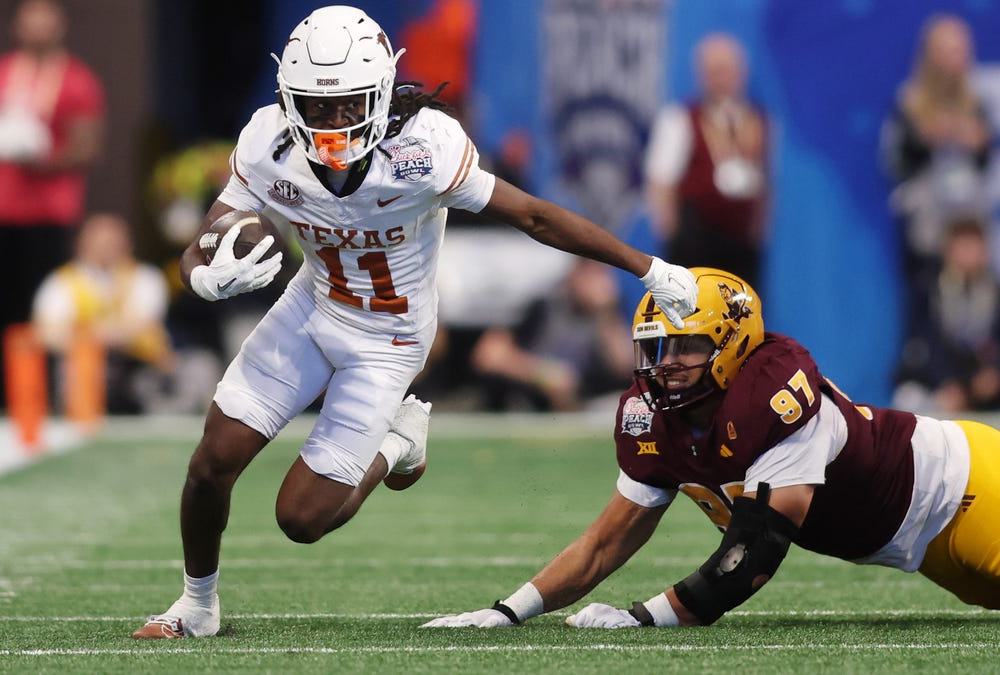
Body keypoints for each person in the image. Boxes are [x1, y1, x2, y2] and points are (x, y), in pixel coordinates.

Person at [132, 5, 699, 639]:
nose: (332, 122)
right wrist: (197, 270)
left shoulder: (423, 147)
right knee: (212, 461)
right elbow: (210, 232)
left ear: (379, 94)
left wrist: (648, 267)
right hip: (312, 306)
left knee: (302, 518)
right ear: (289, 100)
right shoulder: (268, 142)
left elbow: (534, 216)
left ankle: (397, 442)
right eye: (318, 107)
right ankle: (196, 605)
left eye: (349, 104)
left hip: (389, 340)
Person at [423, 267, 999, 632]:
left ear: (731, 342)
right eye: (657, 348)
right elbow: (603, 544)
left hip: (966, 487)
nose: (667, 363)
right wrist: (508, 612)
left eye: (686, 346)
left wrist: (642, 616)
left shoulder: (772, 395)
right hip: (918, 546)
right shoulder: (657, 416)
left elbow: (749, 559)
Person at [0, 0, 105, 408]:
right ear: (17, 27)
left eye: (43, 23)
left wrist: (42, 158)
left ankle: (40, 398)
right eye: (29, 23)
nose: (36, 30)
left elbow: (87, 147)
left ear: (59, 27)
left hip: (48, 212)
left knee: (43, 308)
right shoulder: (0, 73)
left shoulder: (76, 80)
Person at [644, 33, 769, 290]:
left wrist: (757, 233)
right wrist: (672, 238)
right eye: (713, 71)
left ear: (741, 72)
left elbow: (766, 183)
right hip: (695, 243)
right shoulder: (680, 119)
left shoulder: (758, 120)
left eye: (726, 70)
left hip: (742, 246)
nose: (721, 79)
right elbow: (660, 182)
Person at [881, 14, 992, 296]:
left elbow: (987, 165)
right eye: (949, 52)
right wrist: (927, 140)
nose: (956, 61)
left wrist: (977, 142)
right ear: (931, 55)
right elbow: (894, 164)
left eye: (961, 51)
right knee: (927, 306)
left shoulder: (978, 99)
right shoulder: (910, 101)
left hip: (970, 229)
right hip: (927, 231)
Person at [30, 212, 173, 413]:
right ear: (82, 244)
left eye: (114, 241)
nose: (107, 247)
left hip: (140, 365)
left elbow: (144, 326)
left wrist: (84, 333)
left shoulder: (146, 277)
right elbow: (46, 333)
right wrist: (108, 335)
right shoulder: (62, 282)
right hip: (88, 367)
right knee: (76, 371)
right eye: (100, 241)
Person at [469, 259, 631, 411]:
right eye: (592, 275)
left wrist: (605, 313)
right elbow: (488, 355)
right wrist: (544, 375)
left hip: (585, 407)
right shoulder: (542, 305)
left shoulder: (608, 314)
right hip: (526, 404)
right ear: (575, 274)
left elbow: (623, 367)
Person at [894, 216, 1000, 414]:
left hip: (985, 385)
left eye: (973, 248)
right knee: (907, 399)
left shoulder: (994, 292)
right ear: (948, 251)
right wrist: (946, 383)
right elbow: (924, 343)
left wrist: (994, 373)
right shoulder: (928, 291)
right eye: (962, 248)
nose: (968, 255)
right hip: (940, 382)